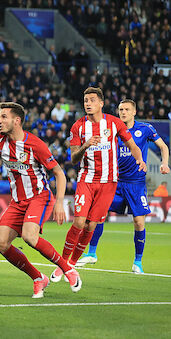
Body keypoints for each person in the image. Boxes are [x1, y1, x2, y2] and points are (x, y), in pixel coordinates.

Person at [0, 102, 81, 298]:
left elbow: (59, 173)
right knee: (1, 243)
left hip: (39, 197)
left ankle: (68, 269)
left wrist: (59, 202)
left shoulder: (35, 144)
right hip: (17, 201)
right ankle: (39, 278)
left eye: (4, 117)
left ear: (17, 120)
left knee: (30, 236)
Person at [50, 87, 146, 282]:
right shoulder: (77, 127)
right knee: (79, 221)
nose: (87, 103)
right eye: (85, 100)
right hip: (87, 179)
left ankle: (71, 265)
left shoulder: (114, 123)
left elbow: (133, 146)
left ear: (101, 103)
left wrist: (140, 160)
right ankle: (63, 262)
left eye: (92, 100)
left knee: (91, 225)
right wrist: (86, 145)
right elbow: (74, 159)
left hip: (109, 182)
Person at [76, 99, 169, 273]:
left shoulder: (145, 129)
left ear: (134, 112)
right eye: (120, 109)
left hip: (136, 184)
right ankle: (92, 253)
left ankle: (138, 263)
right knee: (97, 215)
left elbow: (163, 147)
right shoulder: (111, 129)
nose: (123, 112)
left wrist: (164, 163)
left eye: (126, 109)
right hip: (114, 181)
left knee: (138, 221)